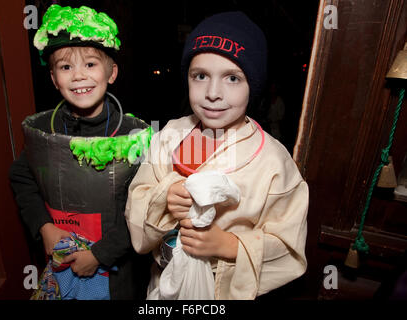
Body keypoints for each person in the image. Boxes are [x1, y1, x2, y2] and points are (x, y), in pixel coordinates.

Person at [125, 11, 308, 300]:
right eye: (200, 76)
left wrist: (228, 245)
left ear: (254, 86)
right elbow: (137, 203)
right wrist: (165, 196)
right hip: (164, 283)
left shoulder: (273, 162)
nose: (212, 93)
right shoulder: (170, 136)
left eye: (232, 78)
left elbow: (289, 246)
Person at [9, 4, 152, 300]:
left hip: (116, 270)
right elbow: (22, 176)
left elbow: (143, 206)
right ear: (53, 78)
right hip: (60, 263)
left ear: (111, 73)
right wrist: (43, 226)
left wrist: (100, 255)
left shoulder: (133, 135)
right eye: (65, 67)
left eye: (90, 64)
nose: (78, 76)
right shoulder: (45, 130)